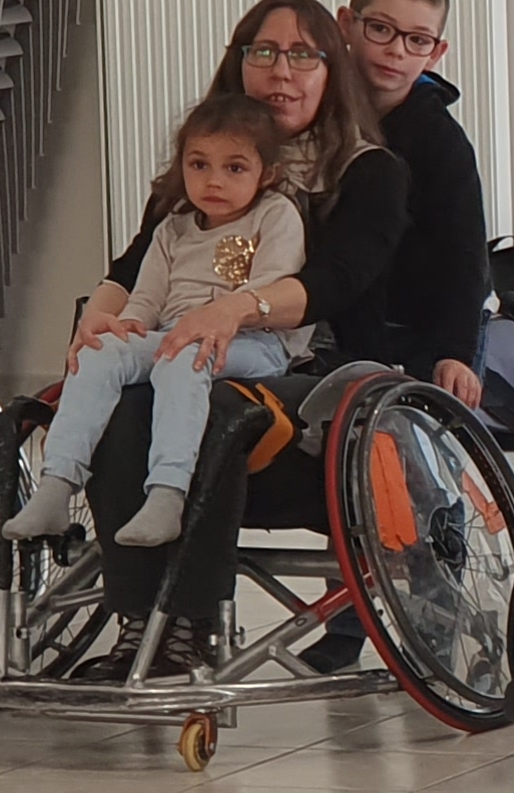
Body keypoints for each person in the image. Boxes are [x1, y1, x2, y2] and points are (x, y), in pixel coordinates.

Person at [67, 0, 407, 675]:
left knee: (216, 404)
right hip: (185, 345)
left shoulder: (369, 170)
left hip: (312, 365)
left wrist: (233, 310)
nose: (282, 70)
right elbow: (136, 263)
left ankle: (184, 626)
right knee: (119, 386)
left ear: (330, 70)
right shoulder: (206, 159)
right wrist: (96, 323)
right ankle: (138, 622)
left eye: (302, 54)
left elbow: (337, 279)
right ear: (240, 62)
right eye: (264, 52)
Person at [15, 94, 307, 551]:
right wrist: (128, 326)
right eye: (199, 165)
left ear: (265, 174)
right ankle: (57, 482)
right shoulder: (173, 226)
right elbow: (146, 296)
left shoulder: (274, 215)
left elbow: (267, 289)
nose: (213, 180)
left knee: (183, 355)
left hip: (253, 341)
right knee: (102, 351)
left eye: (234, 168)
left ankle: (168, 493)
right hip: (174, 333)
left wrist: (205, 324)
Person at [336, 0, 494, 406]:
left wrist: (455, 353)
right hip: (347, 319)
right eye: (381, 29)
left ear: (436, 52)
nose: (396, 51)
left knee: (420, 451)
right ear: (347, 24)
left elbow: (466, 256)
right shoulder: (320, 113)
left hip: (430, 325)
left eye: (417, 40)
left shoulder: (442, 142)